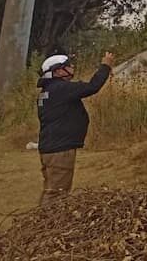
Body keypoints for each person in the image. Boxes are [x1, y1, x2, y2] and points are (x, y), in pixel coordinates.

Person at [36, 51, 115, 204]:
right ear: (58, 71)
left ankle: (41, 218)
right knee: (57, 195)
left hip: (50, 148)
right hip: (60, 150)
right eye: (68, 65)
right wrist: (105, 66)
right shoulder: (61, 88)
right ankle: (46, 219)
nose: (72, 67)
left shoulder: (47, 92)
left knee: (51, 190)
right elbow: (93, 87)